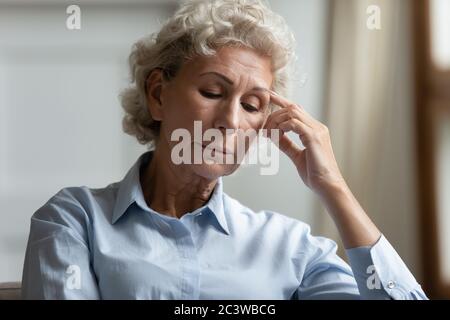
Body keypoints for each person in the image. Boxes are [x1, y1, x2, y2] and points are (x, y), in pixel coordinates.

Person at [22, 0, 427, 299]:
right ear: (159, 94)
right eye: (213, 92)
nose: (231, 121)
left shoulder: (291, 247)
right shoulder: (75, 220)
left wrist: (333, 186)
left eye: (252, 106)